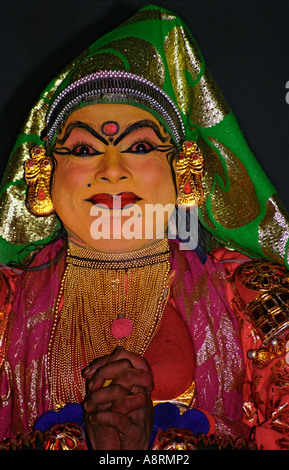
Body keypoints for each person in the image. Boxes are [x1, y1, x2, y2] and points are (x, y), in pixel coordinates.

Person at [0, 4, 289, 450]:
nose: (112, 170)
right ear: (41, 173)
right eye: (82, 149)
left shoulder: (260, 305)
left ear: (185, 170)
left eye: (139, 145)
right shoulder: (4, 308)